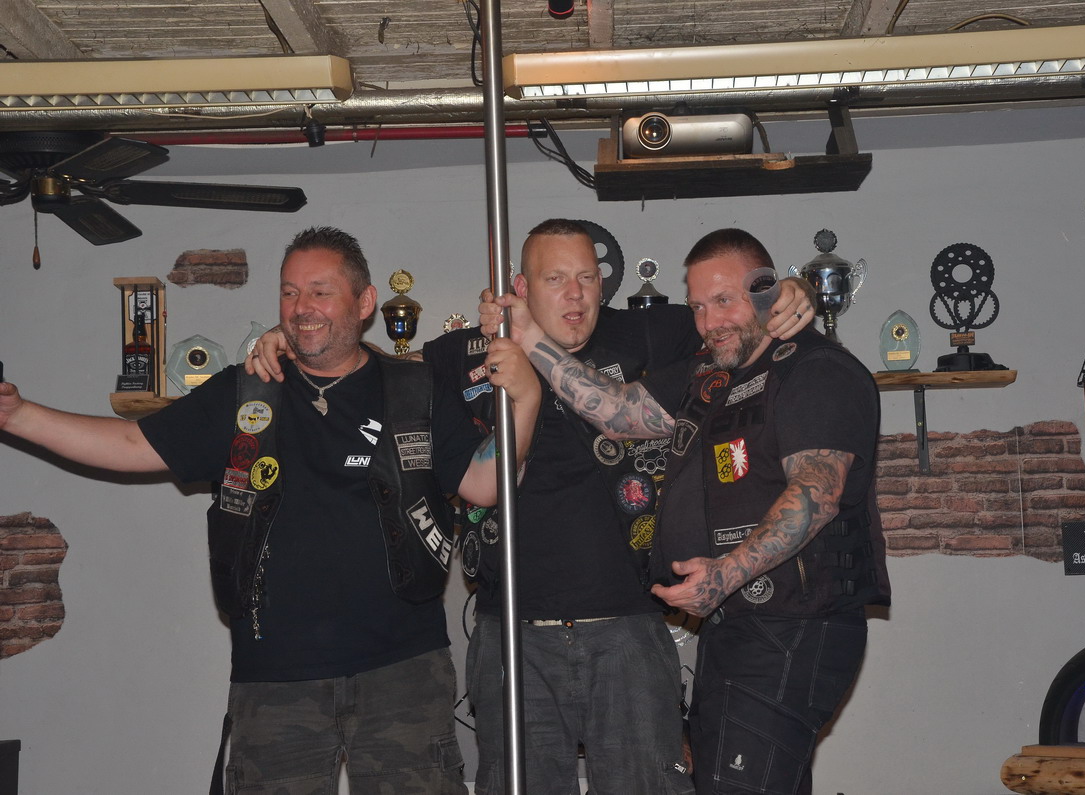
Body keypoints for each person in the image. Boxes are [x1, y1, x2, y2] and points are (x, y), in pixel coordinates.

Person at [248, 219, 815, 794]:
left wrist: (789, 294)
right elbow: (366, 369)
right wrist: (293, 335)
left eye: (587, 278)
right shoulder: (465, 352)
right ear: (519, 288)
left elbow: (736, 324)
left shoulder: (649, 331)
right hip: (511, 633)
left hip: (629, 628)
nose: (576, 295)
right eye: (555, 279)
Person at [0, 226, 541, 795]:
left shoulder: (416, 388)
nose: (302, 307)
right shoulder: (243, 391)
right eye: (289, 292)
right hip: (275, 678)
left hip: (403, 669)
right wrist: (19, 416)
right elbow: (133, 444)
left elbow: (485, 483)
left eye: (320, 291)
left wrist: (526, 398)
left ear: (365, 302)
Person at [483, 227, 890, 795]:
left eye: (724, 301)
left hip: (797, 623)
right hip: (737, 627)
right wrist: (529, 336)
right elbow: (619, 413)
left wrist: (725, 573)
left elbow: (815, 494)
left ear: (769, 291)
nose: (709, 321)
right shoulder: (712, 373)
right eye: (698, 306)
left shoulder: (817, 368)